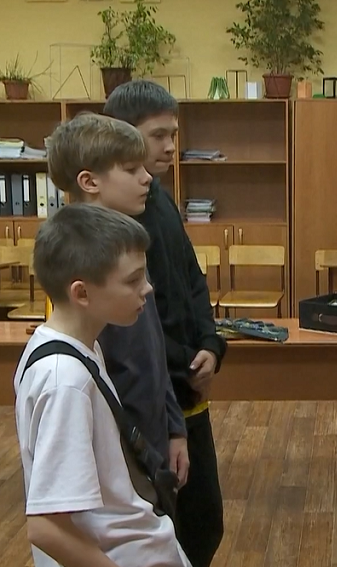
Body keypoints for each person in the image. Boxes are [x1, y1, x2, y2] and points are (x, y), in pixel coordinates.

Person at [14, 203, 190, 567]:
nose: (148, 289)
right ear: (81, 293)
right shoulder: (65, 381)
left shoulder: (78, 347)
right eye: (133, 280)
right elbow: (46, 528)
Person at [104, 79, 227, 567]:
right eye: (158, 135)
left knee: (205, 522)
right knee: (171, 528)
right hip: (156, 398)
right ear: (122, 134)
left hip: (189, 390)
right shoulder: (117, 221)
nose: (171, 146)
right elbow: (141, 323)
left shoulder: (160, 198)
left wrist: (212, 344)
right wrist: (185, 364)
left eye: (173, 134)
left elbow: (192, 279)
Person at [47, 110, 190, 511]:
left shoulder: (128, 245)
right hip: (123, 458)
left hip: (154, 443)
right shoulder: (85, 265)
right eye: (131, 169)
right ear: (89, 182)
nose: (147, 178)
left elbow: (153, 351)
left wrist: (174, 427)